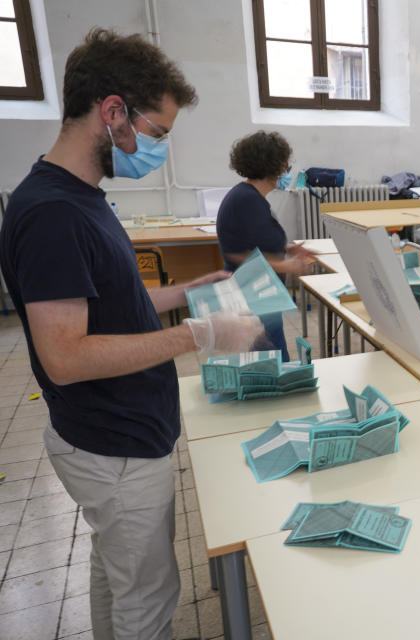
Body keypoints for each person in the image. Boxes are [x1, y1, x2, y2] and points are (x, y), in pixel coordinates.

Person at [0, 29, 264, 640]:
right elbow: (64, 357)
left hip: (118, 434)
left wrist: (189, 292)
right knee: (148, 598)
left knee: (116, 577)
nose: (159, 148)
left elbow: (110, 303)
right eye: (159, 133)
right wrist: (198, 335)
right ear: (113, 111)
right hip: (113, 444)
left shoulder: (81, 197)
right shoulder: (53, 214)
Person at [216, 130, 318, 361]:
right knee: (273, 362)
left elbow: (256, 241)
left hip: (260, 292)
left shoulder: (250, 197)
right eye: (285, 163)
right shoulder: (247, 200)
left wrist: (290, 249)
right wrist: (288, 265)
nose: (287, 169)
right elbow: (239, 254)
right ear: (274, 164)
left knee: (270, 356)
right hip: (254, 294)